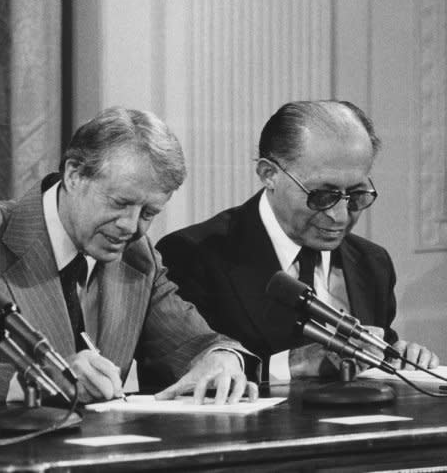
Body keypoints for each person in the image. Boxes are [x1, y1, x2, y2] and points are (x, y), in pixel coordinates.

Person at [0, 107, 258, 405]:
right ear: (74, 174)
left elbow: (194, 342)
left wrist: (222, 358)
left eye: (149, 213)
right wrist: (42, 379)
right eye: (119, 204)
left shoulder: (139, 257)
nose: (132, 227)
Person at [156, 100, 439, 380]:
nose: (340, 217)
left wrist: (397, 357)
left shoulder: (373, 263)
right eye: (322, 196)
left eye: (356, 195)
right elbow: (172, 377)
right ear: (269, 174)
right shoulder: (194, 255)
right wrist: (288, 366)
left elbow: (373, 359)